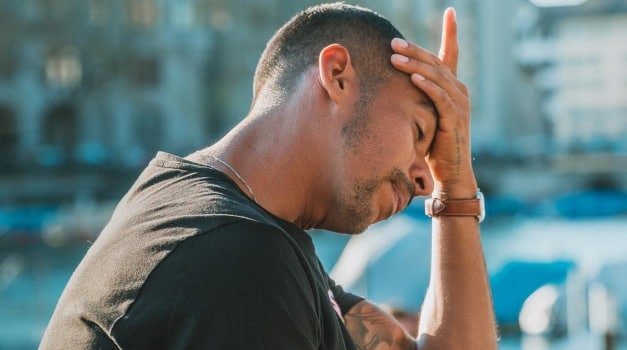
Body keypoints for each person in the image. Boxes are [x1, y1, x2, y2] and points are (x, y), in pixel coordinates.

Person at [41, 3, 496, 349]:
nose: (425, 178)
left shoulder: (234, 229)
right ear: (337, 75)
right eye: (419, 133)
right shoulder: (235, 257)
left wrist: (455, 182)